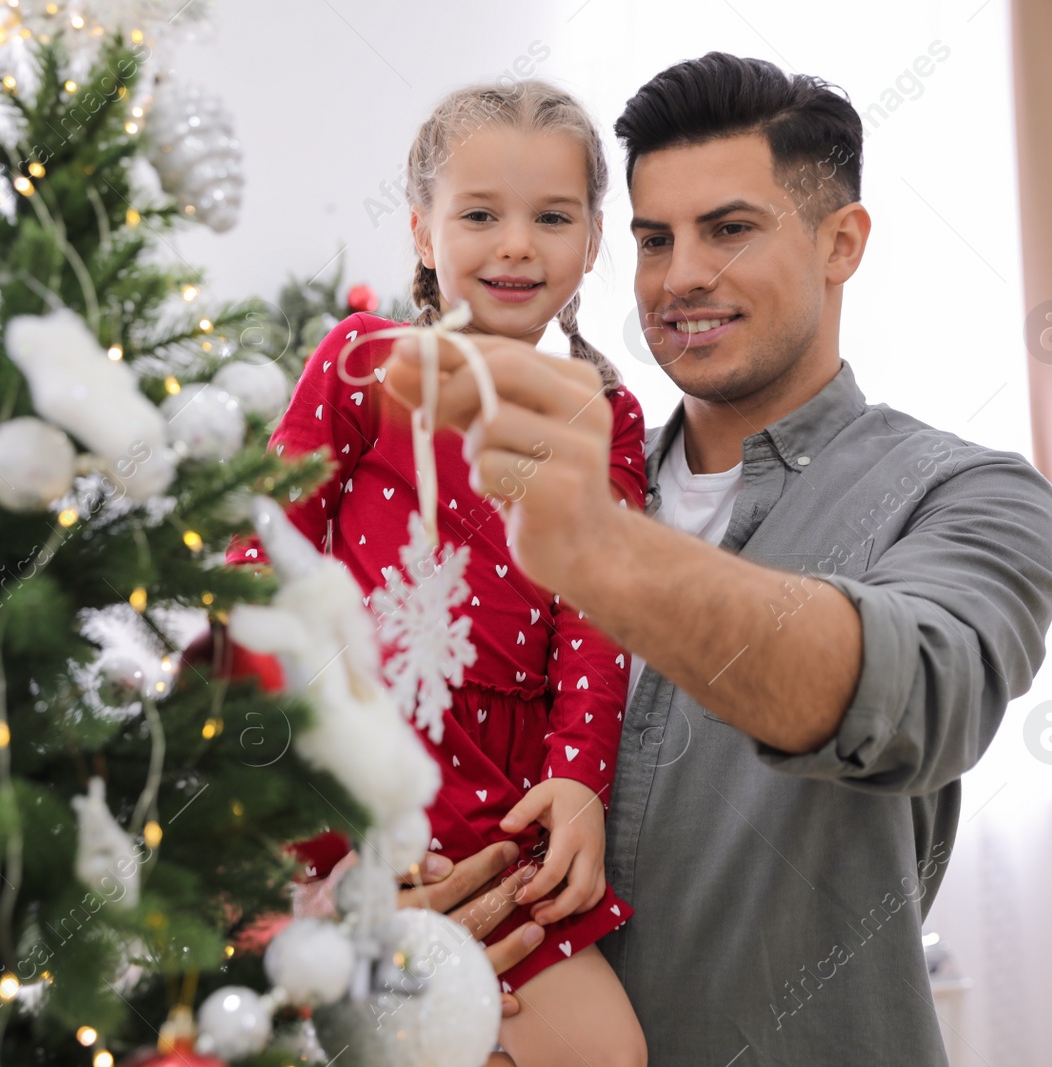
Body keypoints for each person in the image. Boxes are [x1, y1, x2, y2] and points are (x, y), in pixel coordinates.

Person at [383, 53, 1052, 1065]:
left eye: (730, 229)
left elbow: (917, 696)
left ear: (843, 243)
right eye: (655, 239)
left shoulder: (968, 492)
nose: (680, 276)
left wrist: (607, 552)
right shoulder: (555, 479)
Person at [231, 79, 648, 1066]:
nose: (515, 244)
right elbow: (262, 541)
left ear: (592, 241)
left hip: (499, 813)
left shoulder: (603, 415)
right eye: (479, 215)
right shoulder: (359, 362)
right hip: (341, 779)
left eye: (551, 217)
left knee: (604, 1051)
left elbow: (600, 612)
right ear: (422, 230)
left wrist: (577, 782)